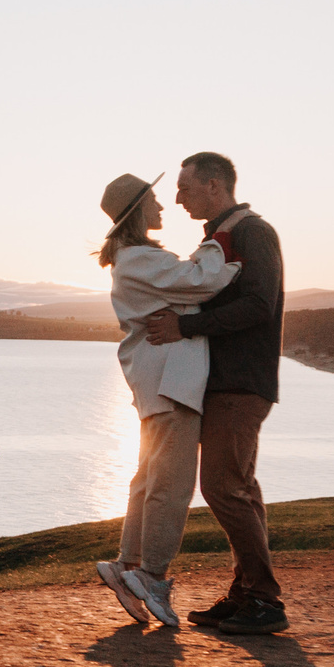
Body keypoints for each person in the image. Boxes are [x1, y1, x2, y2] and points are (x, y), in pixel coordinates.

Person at [142, 151, 288, 635]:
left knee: (223, 487)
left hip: (240, 382)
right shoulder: (222, 234)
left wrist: (185, 327)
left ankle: (265, 600)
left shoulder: (252, 231)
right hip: (227, 382)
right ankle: (246, 593)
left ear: (213, 185)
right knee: (240, 486)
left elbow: (260, 305)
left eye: (184, 188)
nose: (177, 198)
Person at [90, 172, 239, 632]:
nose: (162, 206)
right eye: (153, 200)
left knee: (150, 477)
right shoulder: (139, 259)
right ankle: (152, 576)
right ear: (137, 209)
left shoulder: (134, 258)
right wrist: (219, 242)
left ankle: (128, 563)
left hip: (159, 382)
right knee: (171, 484)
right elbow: (202, 281)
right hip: (171, 384)